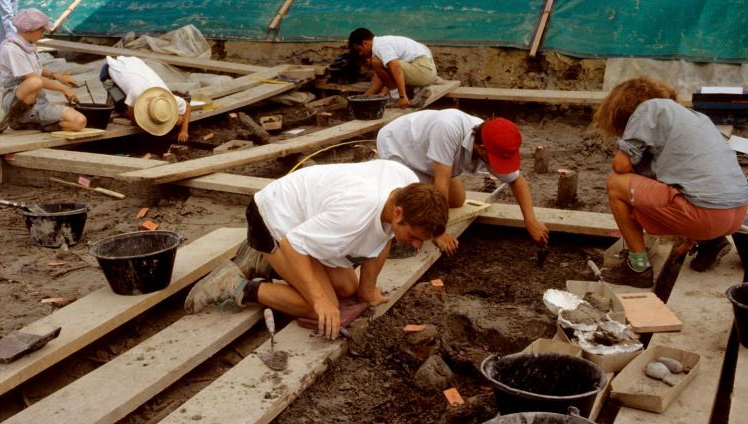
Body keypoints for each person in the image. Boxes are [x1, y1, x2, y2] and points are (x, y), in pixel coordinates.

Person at [184, 160, 449, 340]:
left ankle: (265, 261)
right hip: (272, 219)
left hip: (307, 219)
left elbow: (385, 236)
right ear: (399, 212)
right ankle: (236, 286)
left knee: (347, 290)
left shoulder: (407, 187)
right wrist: (319, 298)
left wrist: (367, 291)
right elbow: (294, 243)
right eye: (414, 237)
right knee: (319, 308)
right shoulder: (355, 213)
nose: (415, 245)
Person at [594, 77, 748, 287]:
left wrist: (633, 160)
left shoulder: (648, 108)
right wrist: (690, 239)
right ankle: (711, 242)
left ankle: (637, 267)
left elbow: (620, 166)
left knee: (616, 184)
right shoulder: (696, 118)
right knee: (662, 186)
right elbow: (695, 181)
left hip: (704, 215)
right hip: (736, 214)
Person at [376, 109, 549, 255]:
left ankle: (437, 171)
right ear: (481, 149)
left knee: (457, 201)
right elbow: (441, 182)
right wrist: (439, 232)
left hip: (435, 160)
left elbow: (516, 180)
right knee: (414, 205)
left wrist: (530, 221)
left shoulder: (494, 138)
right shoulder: (448, 127)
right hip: (400, 146)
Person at [0, 8, 86, 134]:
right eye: (42, 30)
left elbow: (34, 68)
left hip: (38, 101)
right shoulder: (11, 49)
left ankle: (33, 124)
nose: (43, 34)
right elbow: (34, 78)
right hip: (15, 99)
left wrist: (56, 76)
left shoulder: (28, 44)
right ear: (31, 30)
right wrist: (64, 89)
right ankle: (12, 118)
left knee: (79, 121)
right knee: (34, 82)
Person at [102, 56, 191, 142]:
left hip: (135, 64)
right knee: (121, 107)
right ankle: (113, 100)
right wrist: (172, 118)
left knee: (126, 100)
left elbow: (187, 106)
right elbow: (134, 120)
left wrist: (184, 131)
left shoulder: (166, 95)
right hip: (110, 70)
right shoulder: (136, 93)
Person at [348, 27, 437, 109]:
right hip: (426, 70)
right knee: (383, 64)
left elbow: (396, 68)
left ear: (365, 43)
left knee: (378, 62)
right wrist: (364, 97)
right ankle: (415, 95)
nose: (360, 54)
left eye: (359, 50)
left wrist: (402, 96)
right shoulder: (383, 42)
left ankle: (397, 97)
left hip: (424, 71)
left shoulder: (380, 45)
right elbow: (383, 78)